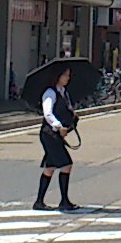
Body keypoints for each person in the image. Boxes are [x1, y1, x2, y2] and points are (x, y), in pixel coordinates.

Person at [34, 67, 80, 212]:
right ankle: (64, 201)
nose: (68, 78)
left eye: (68, 75)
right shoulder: (50, 92)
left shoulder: (64, 92)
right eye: (65, 75)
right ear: (57, 76)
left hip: (56, 134)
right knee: (66, 164)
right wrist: (58, 126)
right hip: (49, 134)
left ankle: (39, 202)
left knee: (50, 167)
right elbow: (47, 113)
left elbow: (66, 109)